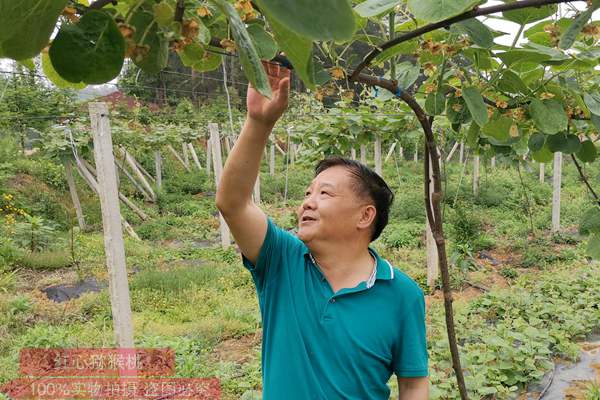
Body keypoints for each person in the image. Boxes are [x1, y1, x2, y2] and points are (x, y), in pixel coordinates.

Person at [215, 61, 429, 399]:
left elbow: (413, 382)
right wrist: (259, 122)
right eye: (307, 194)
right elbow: (233, 203)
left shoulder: (402, 294)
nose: (307, 203)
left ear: (365, 216)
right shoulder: (282, 262)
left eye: (324, 193)